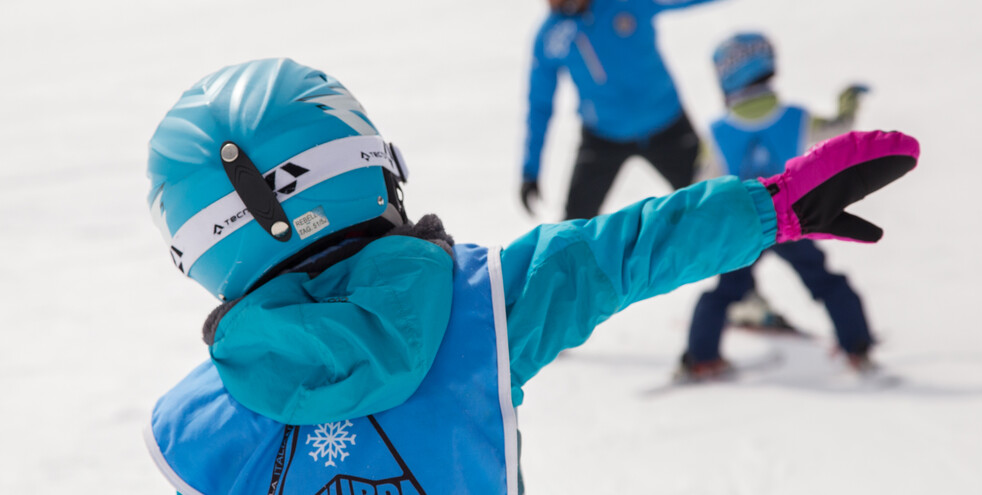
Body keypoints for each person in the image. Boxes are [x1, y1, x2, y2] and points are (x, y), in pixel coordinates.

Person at [142, 58, 917, 494]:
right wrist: (772, 206)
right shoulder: (483, 308)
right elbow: (624, 249)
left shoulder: (193, 428)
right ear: (376, 172)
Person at [678, 32, 877, 380]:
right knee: (825, 281)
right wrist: (848, 101)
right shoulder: (795, 117)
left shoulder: (718, 131)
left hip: (743, 227)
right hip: (792, 219)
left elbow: (700, 184)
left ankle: (701, 357)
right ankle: (857, 348)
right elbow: (839, 126)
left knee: (726, 292)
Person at [519, 0, 725, 220]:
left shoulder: (626, 3)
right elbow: (539, 105)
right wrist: (530, 171)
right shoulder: (551, 36)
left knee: (712, 208)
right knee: (574, 226)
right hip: (602, 138)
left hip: (668, 126)